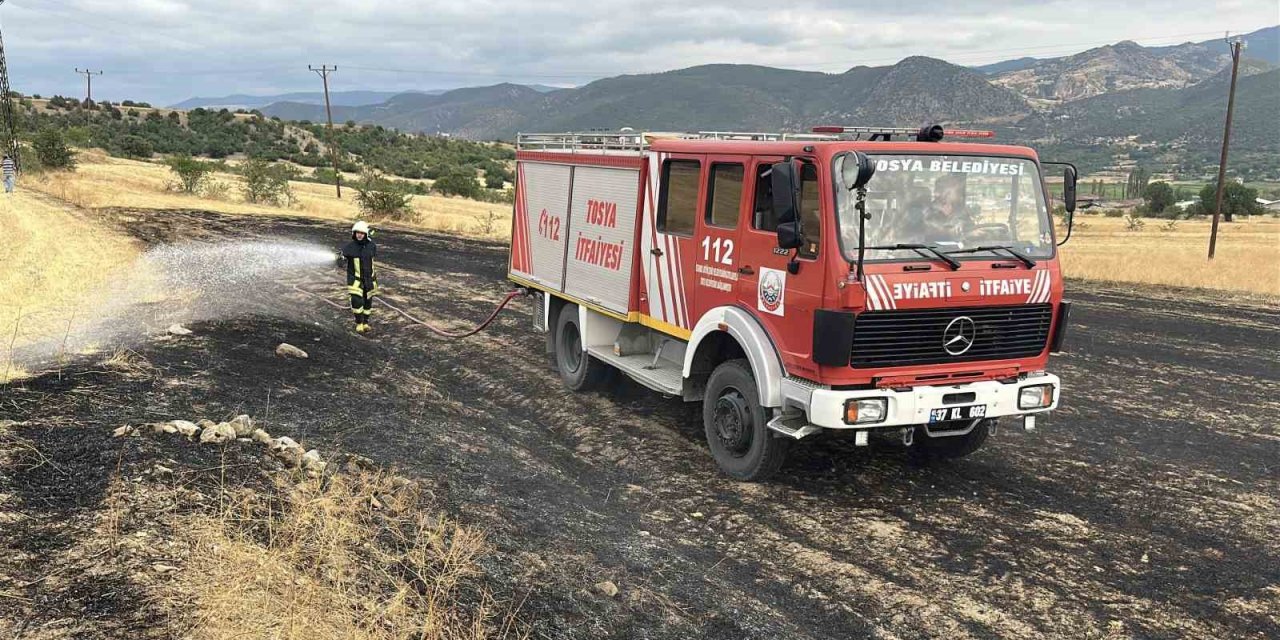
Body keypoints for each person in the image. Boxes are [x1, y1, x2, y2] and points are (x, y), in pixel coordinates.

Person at [342, 221, 378, 333]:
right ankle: (359, 323)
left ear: (366, 234)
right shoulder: (349, 247)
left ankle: (366, 322)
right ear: (354, 233)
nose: (359, 235)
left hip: (369, 279)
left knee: (368, 302)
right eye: (357, 233)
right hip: (355, 280)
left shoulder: (372, 246)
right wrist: (340, 259)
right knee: (357, 301)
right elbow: (341, 260)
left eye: (362, 233)